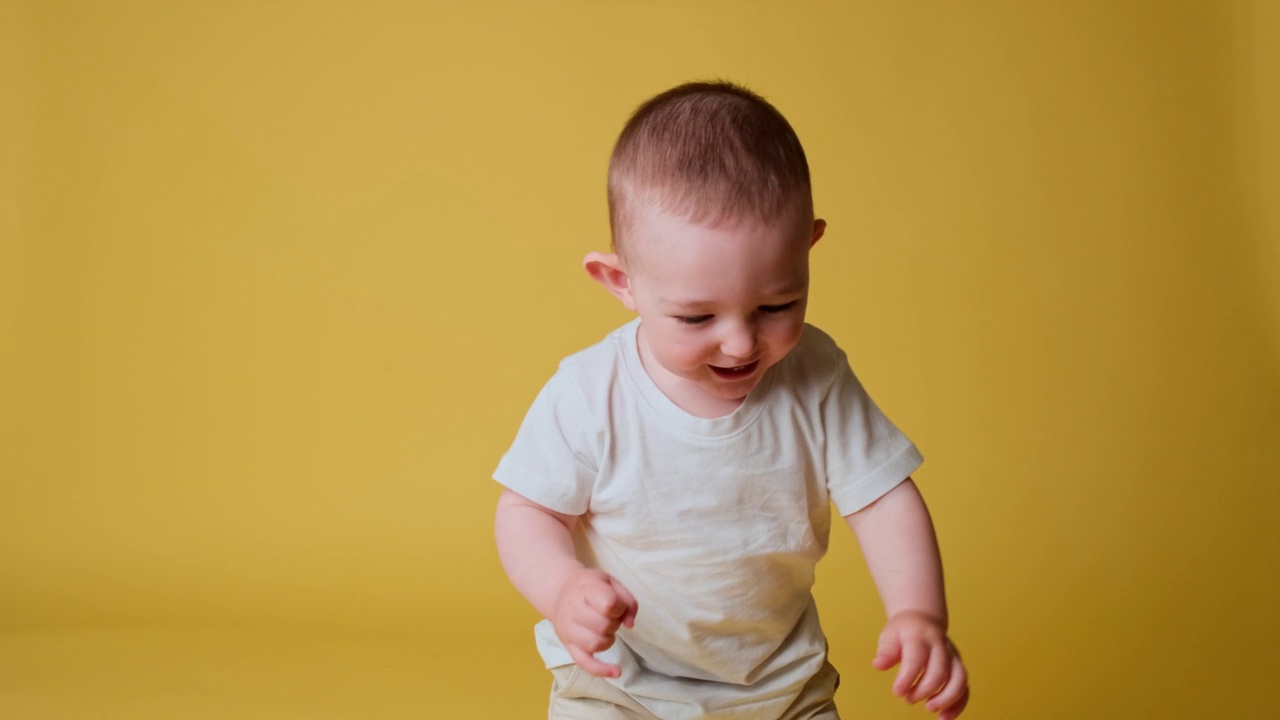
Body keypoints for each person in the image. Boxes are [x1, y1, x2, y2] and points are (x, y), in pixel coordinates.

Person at [493, 80, 969, 720]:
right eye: (696, 318)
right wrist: (563, 587)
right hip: (619, 681)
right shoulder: (590, 392)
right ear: (621, 282)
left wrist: (918, 612)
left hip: (779, 684)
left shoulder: (817, 376)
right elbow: (527, 510)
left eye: (777, 305)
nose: (741, 343)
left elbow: (883, 497)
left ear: (809, 250)